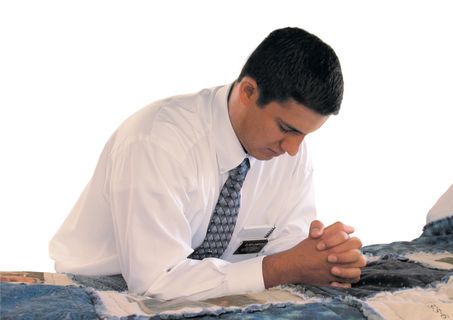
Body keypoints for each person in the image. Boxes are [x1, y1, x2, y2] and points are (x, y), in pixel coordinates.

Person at [49, 27, 366, 301]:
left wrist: (326, 256)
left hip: (212, 290)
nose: (294, 149)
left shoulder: (289, 152)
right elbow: (156, 283)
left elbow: (288, 254)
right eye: (287, 129)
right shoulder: (157, 142)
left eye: (305, 135)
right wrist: (284, 267)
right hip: (102, 286)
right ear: (248, 92)